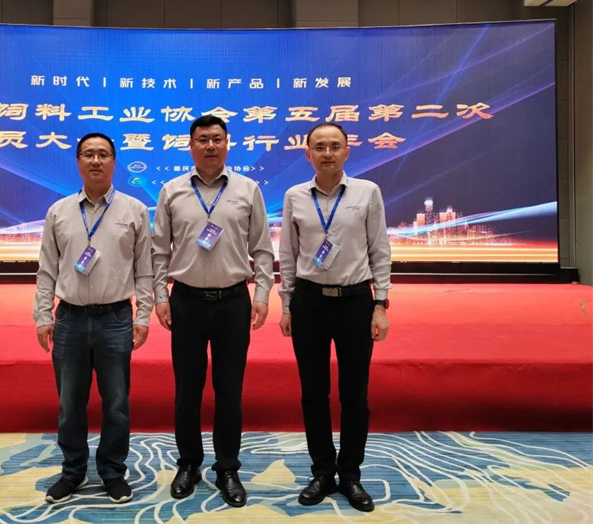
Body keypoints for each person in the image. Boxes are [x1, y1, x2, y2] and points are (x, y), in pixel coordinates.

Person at [152, 114, 275, 508]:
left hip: (233, 301)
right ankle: (189, 463)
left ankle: (227, 467)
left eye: (217, 139)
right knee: (187, 389)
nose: (210, 146)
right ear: (190, 146)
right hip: (186, 301)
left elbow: (262, 248)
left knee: (229, 389)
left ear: (227, 143)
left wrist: (262, 293)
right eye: (202, 139)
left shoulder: (247, 189)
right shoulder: (172, 191)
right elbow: (159, 251)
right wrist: (159, 295)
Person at [33, 132, 153, 505]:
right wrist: (43, 314)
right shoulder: (59, 211)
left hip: (115, 318)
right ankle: (73, 472)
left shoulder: (134, 210)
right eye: (88, 154)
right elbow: (46, 269)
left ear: (114, 162)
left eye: (103, 154)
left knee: (116, 403)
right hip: (69, 319)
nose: (96, 160)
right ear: (78, 162)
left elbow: (145, 269)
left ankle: (112, 472)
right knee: (70, 404)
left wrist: (143, 315)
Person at [278, 122, 391, 512]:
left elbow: (380, 249)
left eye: (335, 146)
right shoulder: (295, 196)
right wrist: (287, 304)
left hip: (355, 301)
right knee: (313, 393)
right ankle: (323, 471)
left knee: (354, 394)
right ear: (307, 153)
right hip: (309, 302)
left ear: (347, 151)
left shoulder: (367, 192)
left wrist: (381, 303)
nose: (327, 153)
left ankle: (351, 474)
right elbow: (288, 255)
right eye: (320, 147)